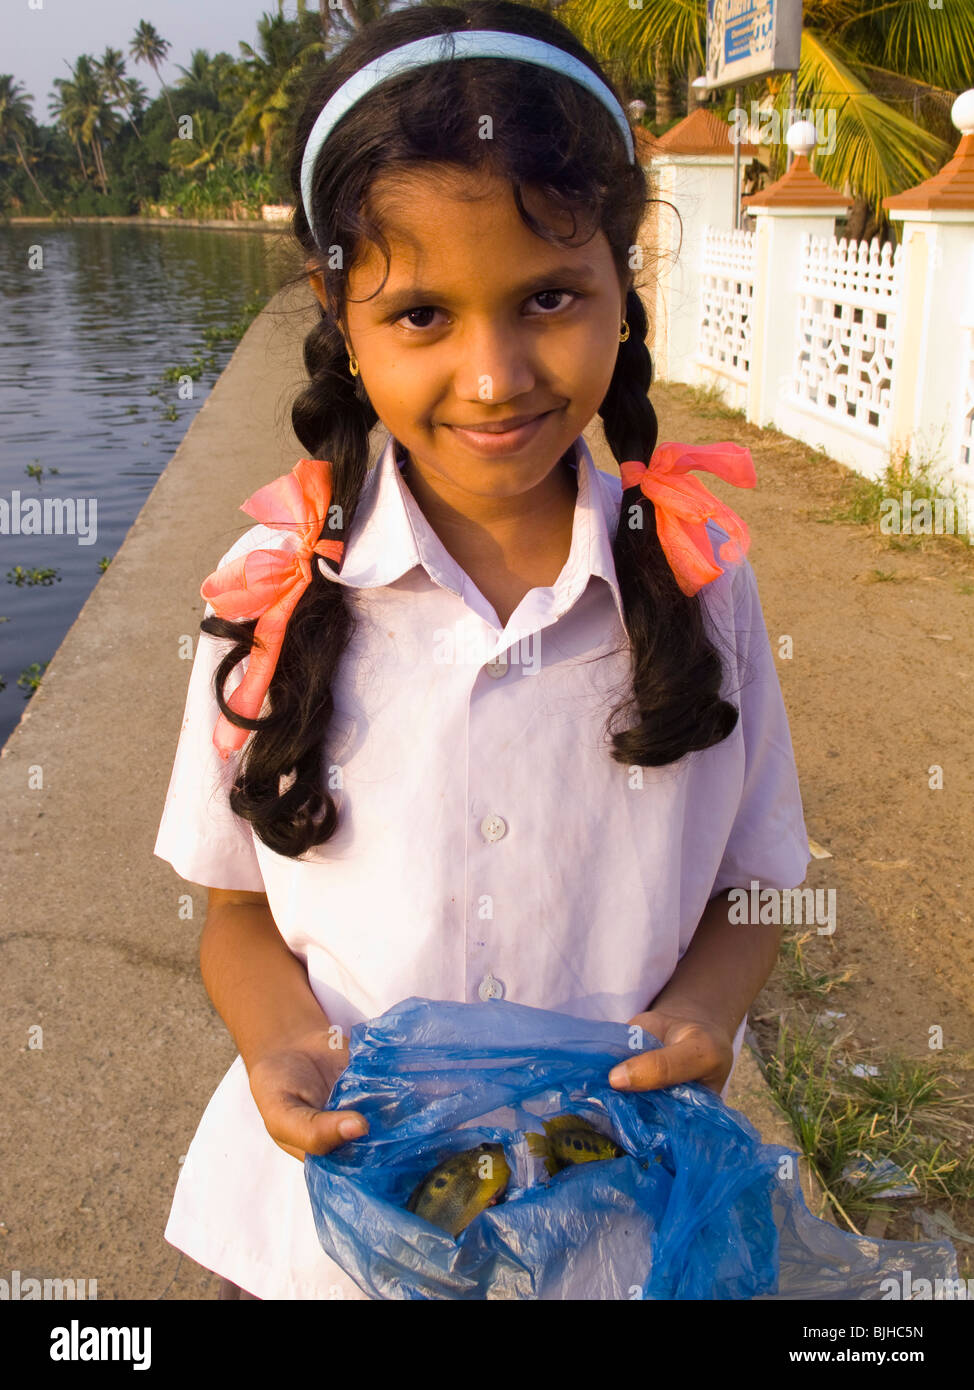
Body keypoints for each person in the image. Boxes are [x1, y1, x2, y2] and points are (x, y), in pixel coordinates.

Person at [153, 0, 811, 1301]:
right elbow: (233, 904)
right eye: (420, 316)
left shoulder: (699, 587)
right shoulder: (270, 597)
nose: (495, 372)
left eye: (547, 297)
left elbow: (758, 883)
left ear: (627, 282)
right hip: (324, 1233)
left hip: (603, 1225)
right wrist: (275, 1031)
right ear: (338, 310)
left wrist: (705, 1012)